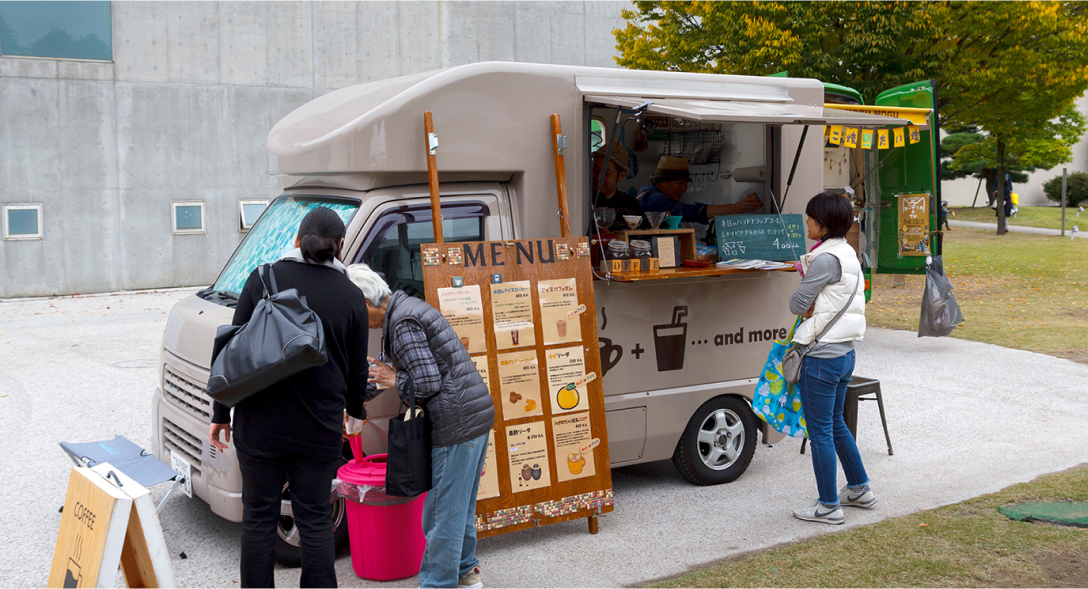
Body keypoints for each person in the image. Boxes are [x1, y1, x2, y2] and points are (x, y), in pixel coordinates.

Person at [208, 207, 370, 587]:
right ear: (339, 246)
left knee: (259, 518)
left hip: (260, 425)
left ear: (296, 241)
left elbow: (233, 354)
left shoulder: (263, 278)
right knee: (314, 518)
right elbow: (356, 371)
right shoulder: (350, 296)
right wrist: (355, 412)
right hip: (317, 428)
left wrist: (221, 413)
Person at [348, 264, 496, 589]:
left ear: (367, 303)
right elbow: (381, 373)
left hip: (457, 423)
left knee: (441, 514)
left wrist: (394, 379)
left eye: (354, 311)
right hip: (473, 416)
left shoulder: (401, 322)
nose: (357, 321)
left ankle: (437, 584)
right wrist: (352, 405)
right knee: (458, 507)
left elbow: (426, 381)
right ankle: (466, 572)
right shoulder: (403, 310)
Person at [788, 191, 874, 525]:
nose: (806, 222)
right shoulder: (849, 254)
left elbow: (797, 305)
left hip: (820, 357)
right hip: (844, 354)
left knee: (821, 432)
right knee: (835, 425)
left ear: (823, 224)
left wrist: (807, 298)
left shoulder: (824, 259)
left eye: (810, 218)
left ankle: (828, 505)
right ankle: (859, 489)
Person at [638, 156, 764, 223]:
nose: (683, 189)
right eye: (679, 183)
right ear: (662, 182)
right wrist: (735, 208)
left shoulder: (648, 193)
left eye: (685, 184)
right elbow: (688, 212)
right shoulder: (654, 199)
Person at [591, 142, 644, 231]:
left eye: (606, 173)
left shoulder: (632, 206)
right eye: (595, 170)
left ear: (621, 176)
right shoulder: (582, 203)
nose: (598, 177)